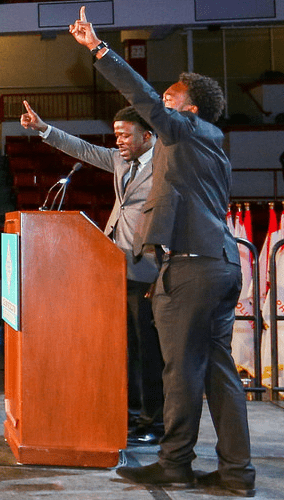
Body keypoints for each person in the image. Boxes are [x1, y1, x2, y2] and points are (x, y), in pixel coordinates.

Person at [69, 6, 256, 497]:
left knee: (179, 374)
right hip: (218, 265)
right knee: (218, 374)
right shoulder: (203, 142)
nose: (162, 103)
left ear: (189, 110)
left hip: (193, 268)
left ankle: (175, 462)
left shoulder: (189, 131)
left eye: (172, 98)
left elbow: (143, 97)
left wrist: (98, 49)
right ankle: (237, 473)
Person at [20, 102, 164, 443]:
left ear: (148, 135)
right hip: (115, 265)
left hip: (149, 267)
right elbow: (83, 149)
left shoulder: (167, 162)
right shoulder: (118, 160)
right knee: (122, 349)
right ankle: (128, 413)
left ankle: (154, 423)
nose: (119, 141)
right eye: (116, 135)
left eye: (125, 135)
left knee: (149, 351)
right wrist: (44, 129)